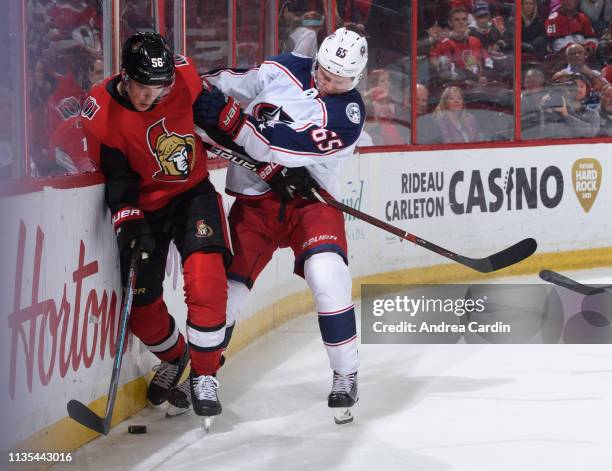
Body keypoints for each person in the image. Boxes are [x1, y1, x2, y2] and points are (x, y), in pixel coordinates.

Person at [169, 25, 368, 423]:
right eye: (325, 74)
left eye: (341, 80)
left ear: (356, 78)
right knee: (227, 290)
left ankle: (346, 372)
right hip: (257, 202)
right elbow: (222, 84)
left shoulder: (348, 114)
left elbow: (278, 147)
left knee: (327, 276)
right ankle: (203, 373)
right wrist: (204, 98)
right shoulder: (282, 69)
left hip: (310, 204)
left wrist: (233, 124)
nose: (330, 84)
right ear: (317, 61)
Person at [81, 32, 232, 420]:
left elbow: (216, 117)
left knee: (207, 279)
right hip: (147, 207)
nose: (151, 97)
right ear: (125, 76)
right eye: (143, 88)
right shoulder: (101, 110)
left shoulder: (185, 76)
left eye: (158, 89)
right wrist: (127, 219)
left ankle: (204, 373)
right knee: (142, 311)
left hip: (193, 194)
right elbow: (116, 177)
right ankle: (176, 355)